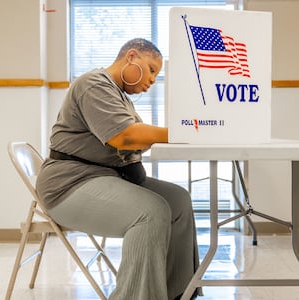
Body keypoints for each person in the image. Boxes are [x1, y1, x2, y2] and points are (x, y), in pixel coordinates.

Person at [36, 38, 199, 300]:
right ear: (131, 57)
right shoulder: (94, 84)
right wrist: (182, 131)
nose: (153, 80)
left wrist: (145, 136)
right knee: (150, 212)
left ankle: (175, 292)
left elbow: (136, 139)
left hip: (105, 177)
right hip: (69, 185)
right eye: (152, 69)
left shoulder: (119, 96)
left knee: (179, 200)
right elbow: (124, 137)